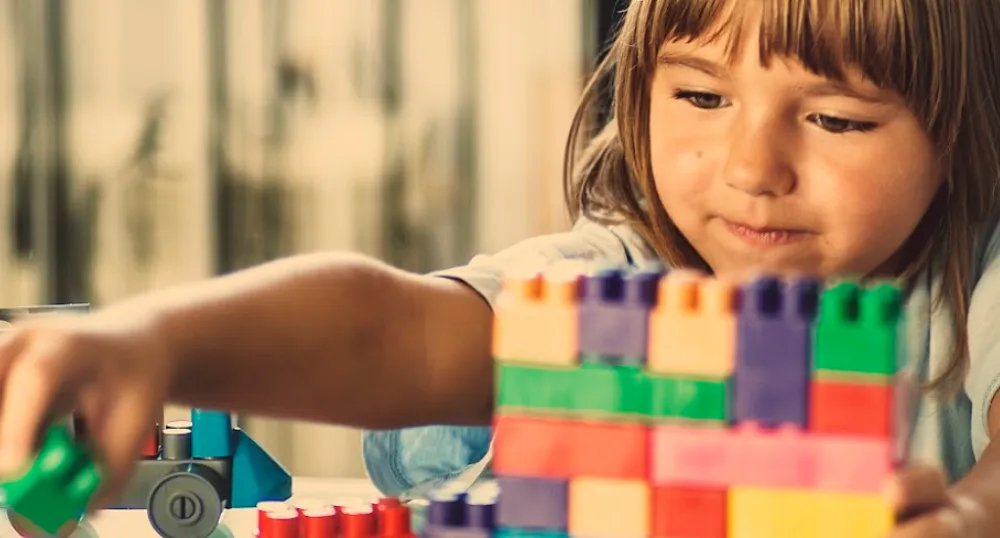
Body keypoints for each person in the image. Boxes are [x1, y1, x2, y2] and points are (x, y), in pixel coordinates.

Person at [0, 0, 998, 535]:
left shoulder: (972, 287)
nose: (750, 170)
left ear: (959, 131)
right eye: (699, 98)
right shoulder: (626, 276)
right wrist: (160, 341)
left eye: (834, 119)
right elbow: (387, 327)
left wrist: (961, 514)